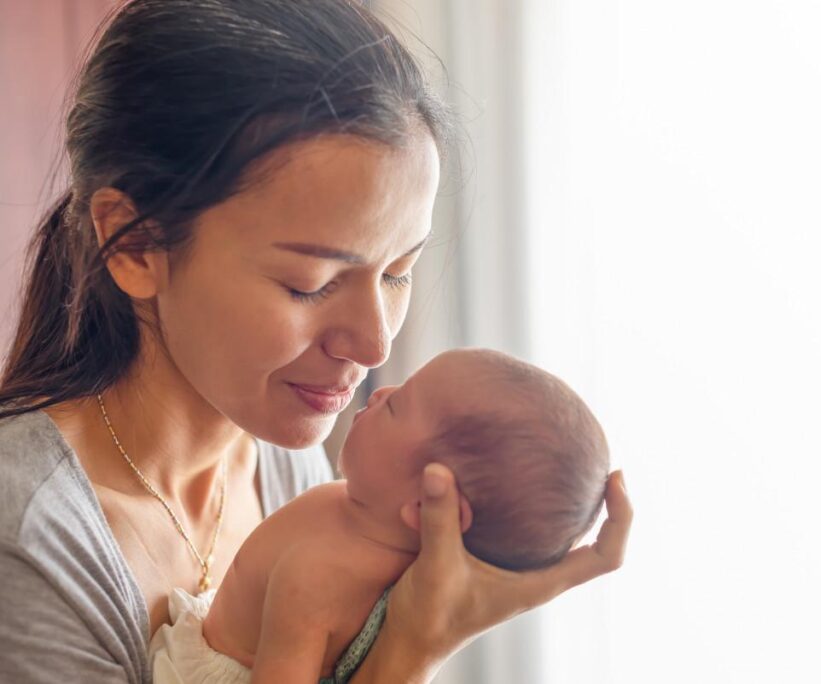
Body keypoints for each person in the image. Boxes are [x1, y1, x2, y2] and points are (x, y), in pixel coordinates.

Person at [0, 1, 631, 682]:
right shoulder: (31, 540)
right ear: (138, 244)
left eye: (398, 273)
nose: (373, 345)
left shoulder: (286, 463)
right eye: (309, 283)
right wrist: (413, 648)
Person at [149, 347, 610, 682]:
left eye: (396, 405)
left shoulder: (319, 575)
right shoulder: (374, 528)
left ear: (431, 504)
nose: (379, 391)